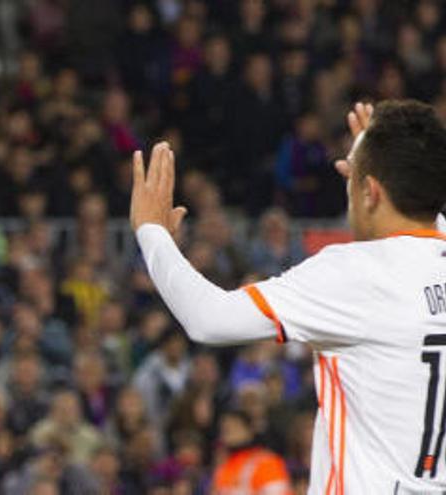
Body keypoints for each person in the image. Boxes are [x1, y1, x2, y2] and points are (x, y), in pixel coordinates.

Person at [130, 100, 446, 493]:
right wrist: (381, 170)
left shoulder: (355, 274)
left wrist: (151, 233)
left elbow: (208, 318)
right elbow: (424, 212)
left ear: (371, 192)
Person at [211, 409, 292, 495]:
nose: (228, 433)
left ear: (249, 430)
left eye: (234, 427)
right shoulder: (223, 467)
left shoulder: (266, 462)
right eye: (225, 429)